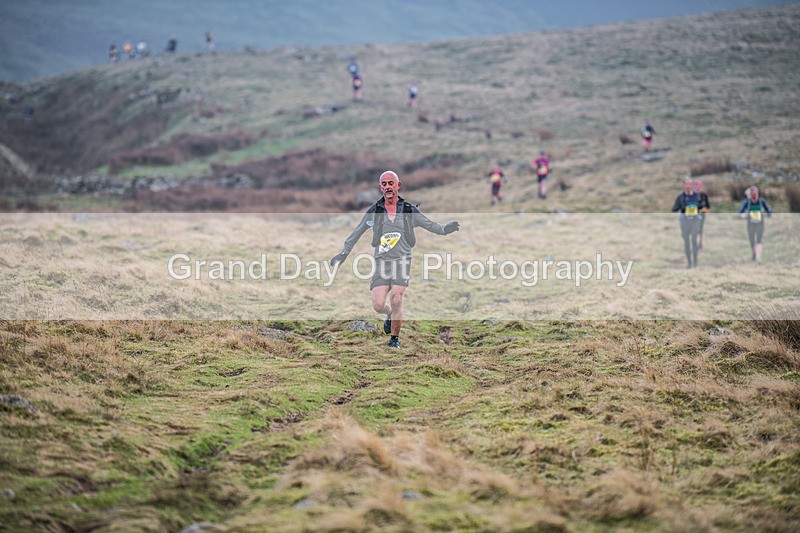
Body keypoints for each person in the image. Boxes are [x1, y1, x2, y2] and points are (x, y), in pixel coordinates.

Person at [330, 171, 460, 348]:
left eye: (391, 183)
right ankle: (389, 314)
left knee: (397, 298)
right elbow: (356, 233)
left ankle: (394, 340)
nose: (388, 187)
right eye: (384, 184)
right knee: (377, 305)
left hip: (402, 261)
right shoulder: (375, 211)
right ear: (380, 187)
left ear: (398, 185)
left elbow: (429, 224)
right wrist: (343, 254)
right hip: (382, 263)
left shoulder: (408, 210)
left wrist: (445, 229)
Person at [671, 177, 702, 268]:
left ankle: (695, 262)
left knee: (694, 240)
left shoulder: (696, 196)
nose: (688, 186)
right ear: (684, 185)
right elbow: (674, 209)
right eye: (686, 184)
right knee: (686, 242)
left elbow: (701, 207)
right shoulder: (680, 197)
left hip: (695, 221)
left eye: (690, 184)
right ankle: (689, 263)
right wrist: (681, 207)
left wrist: (698, 210)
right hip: (684, 222)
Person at [738, 186, 772, 262]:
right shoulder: (747, 202)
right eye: (752, 193)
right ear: (750, 194)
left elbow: (768, 210)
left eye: (755, 193)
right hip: (750, 224)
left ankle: (758, 257)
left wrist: (769, 213)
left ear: (757, 193)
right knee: (752, 240)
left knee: (759, 240)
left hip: (760, 223)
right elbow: (740, 212)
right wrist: (742, 215)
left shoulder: (761, 201)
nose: (754, 195)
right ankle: (754, 253)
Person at [694, 179, 710, 249]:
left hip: (702, 215)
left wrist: (703, 211)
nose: (697, 187)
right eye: (696, 186)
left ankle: (700, 243)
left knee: (700, 229)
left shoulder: (704, 195)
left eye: (699, 186)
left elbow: (708, 206)